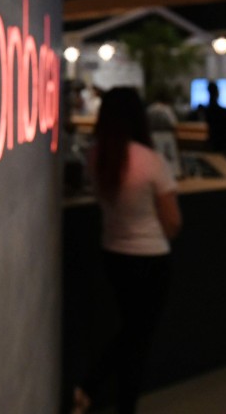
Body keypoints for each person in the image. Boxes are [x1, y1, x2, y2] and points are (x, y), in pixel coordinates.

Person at [74, 88, 182, 414]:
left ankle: (101, 394)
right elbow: (173, 222)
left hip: (113, 255)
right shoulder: (151, 161)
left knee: (132, 334)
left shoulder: (97, 156)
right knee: (138, 339)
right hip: (151, 262)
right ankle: (92, 388)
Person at [147, 93, 181, 178]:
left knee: (155, 157)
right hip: (166, 135)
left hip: (152, 135)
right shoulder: (167, 109)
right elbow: (173, 124)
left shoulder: (150, 109)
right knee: (169, 158)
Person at [202, 80, 226, 154]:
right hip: (224, 145)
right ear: (217, 93)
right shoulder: (225, 112)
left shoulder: (207, 111)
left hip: (214, 143)